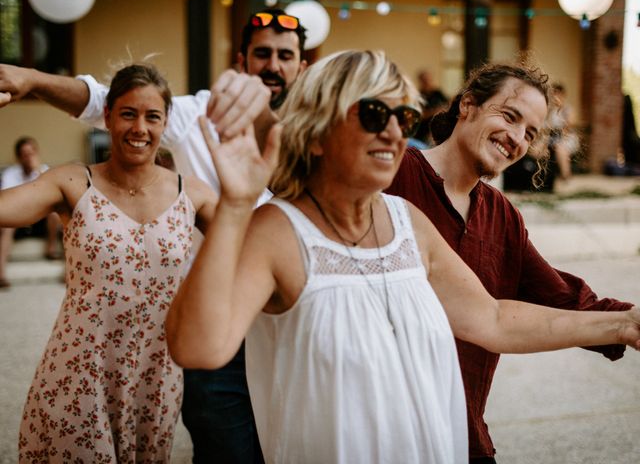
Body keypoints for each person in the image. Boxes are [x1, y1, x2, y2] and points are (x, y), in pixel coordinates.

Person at [165, 50, 640, 464]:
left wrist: (624, 324)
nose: (394, 132)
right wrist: (234, 203)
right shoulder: (278, 230)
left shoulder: (408, 222)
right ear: (317, 130)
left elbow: (495, 319)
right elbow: (197, 349)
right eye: (375, 113)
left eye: (404, 118)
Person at [0, 8, 308, 463]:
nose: (273, 66)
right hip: (205, 324)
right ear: (242, 60)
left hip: (287, 323)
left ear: (302, 66)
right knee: (227, 448)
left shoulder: (320, 132)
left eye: (285, 56)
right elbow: (106, 96)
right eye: (263, 54)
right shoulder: (199, 114)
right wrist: (29, 79)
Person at [385, 61, 637, 463]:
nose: (516, 138)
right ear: (467, 105)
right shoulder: (392, 177)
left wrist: (630, 322)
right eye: (509, 116)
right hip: (378, 430)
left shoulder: (502, 217)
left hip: (459, 433)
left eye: (531, 132)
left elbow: (564, 298)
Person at [1, 63, 217, 461]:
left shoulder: (194, 195)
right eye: (128, 114)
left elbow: (252, 241)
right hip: (79, 371)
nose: (140, 128)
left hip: (157, 376)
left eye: (152, 117)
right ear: (108, 116)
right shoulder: (72, 182)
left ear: (166, 123)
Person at [0, 136, 61, 287]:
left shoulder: (44, 171)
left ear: (37, 153)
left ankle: (51, 249)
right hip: (17, 219)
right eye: (24, 154)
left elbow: (52, 197)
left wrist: (37, 171)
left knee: (55, 212)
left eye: (31, 153)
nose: (29, 157)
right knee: (5, 226)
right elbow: (5, 202)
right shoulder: (10, 174)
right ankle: (1, 274)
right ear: (19, 157)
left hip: (40, 219)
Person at [413, 68, 448, 146]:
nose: (428, 82)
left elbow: (447, 105)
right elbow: (420, 115)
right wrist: (435, 111)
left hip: (437, 129)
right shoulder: (417, 95)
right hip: (422, 132)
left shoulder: (438, 93)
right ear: (420, 81)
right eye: (425, 80)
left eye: (429, 79)